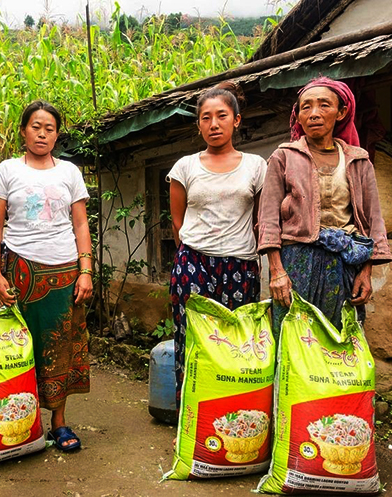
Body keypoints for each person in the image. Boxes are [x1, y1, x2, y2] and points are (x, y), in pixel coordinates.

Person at [0, 100, 92, 452]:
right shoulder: (7, 170)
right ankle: (21, 426)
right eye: (35, 126)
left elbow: (80, 223)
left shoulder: (69, 173)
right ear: (23, 130)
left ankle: (59, 424)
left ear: (57, 134)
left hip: (65, 270)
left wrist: (86, 271)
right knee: (20, 347)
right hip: (21, 270)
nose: (42, 133)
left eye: (49, 128)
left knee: (61, 347)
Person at [258, 76, 392, 338]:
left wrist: (366, 272)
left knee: (339, 339)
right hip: (296, 262)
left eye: (324, 105)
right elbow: (268, 219)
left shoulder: (358, 160)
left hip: (344, 263)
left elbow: (373, 221)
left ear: (342, 113)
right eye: (305, 107)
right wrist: (276, 272)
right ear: (297, 116)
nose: (314, 114)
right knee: (293, 340)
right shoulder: (283, 156)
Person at [167, 84, 266, 405]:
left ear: (236, 120)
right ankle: (191, 419)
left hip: (241, 265)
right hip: (193, 265)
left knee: (236, 341)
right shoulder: (185, 167)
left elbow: (262, 221)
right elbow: (178, 223)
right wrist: (191, 255)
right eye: (205, 118)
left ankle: (231, 412)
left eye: (221, 116)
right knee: (191, 340)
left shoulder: (256, 166)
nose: (213, 124)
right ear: (198, 125)